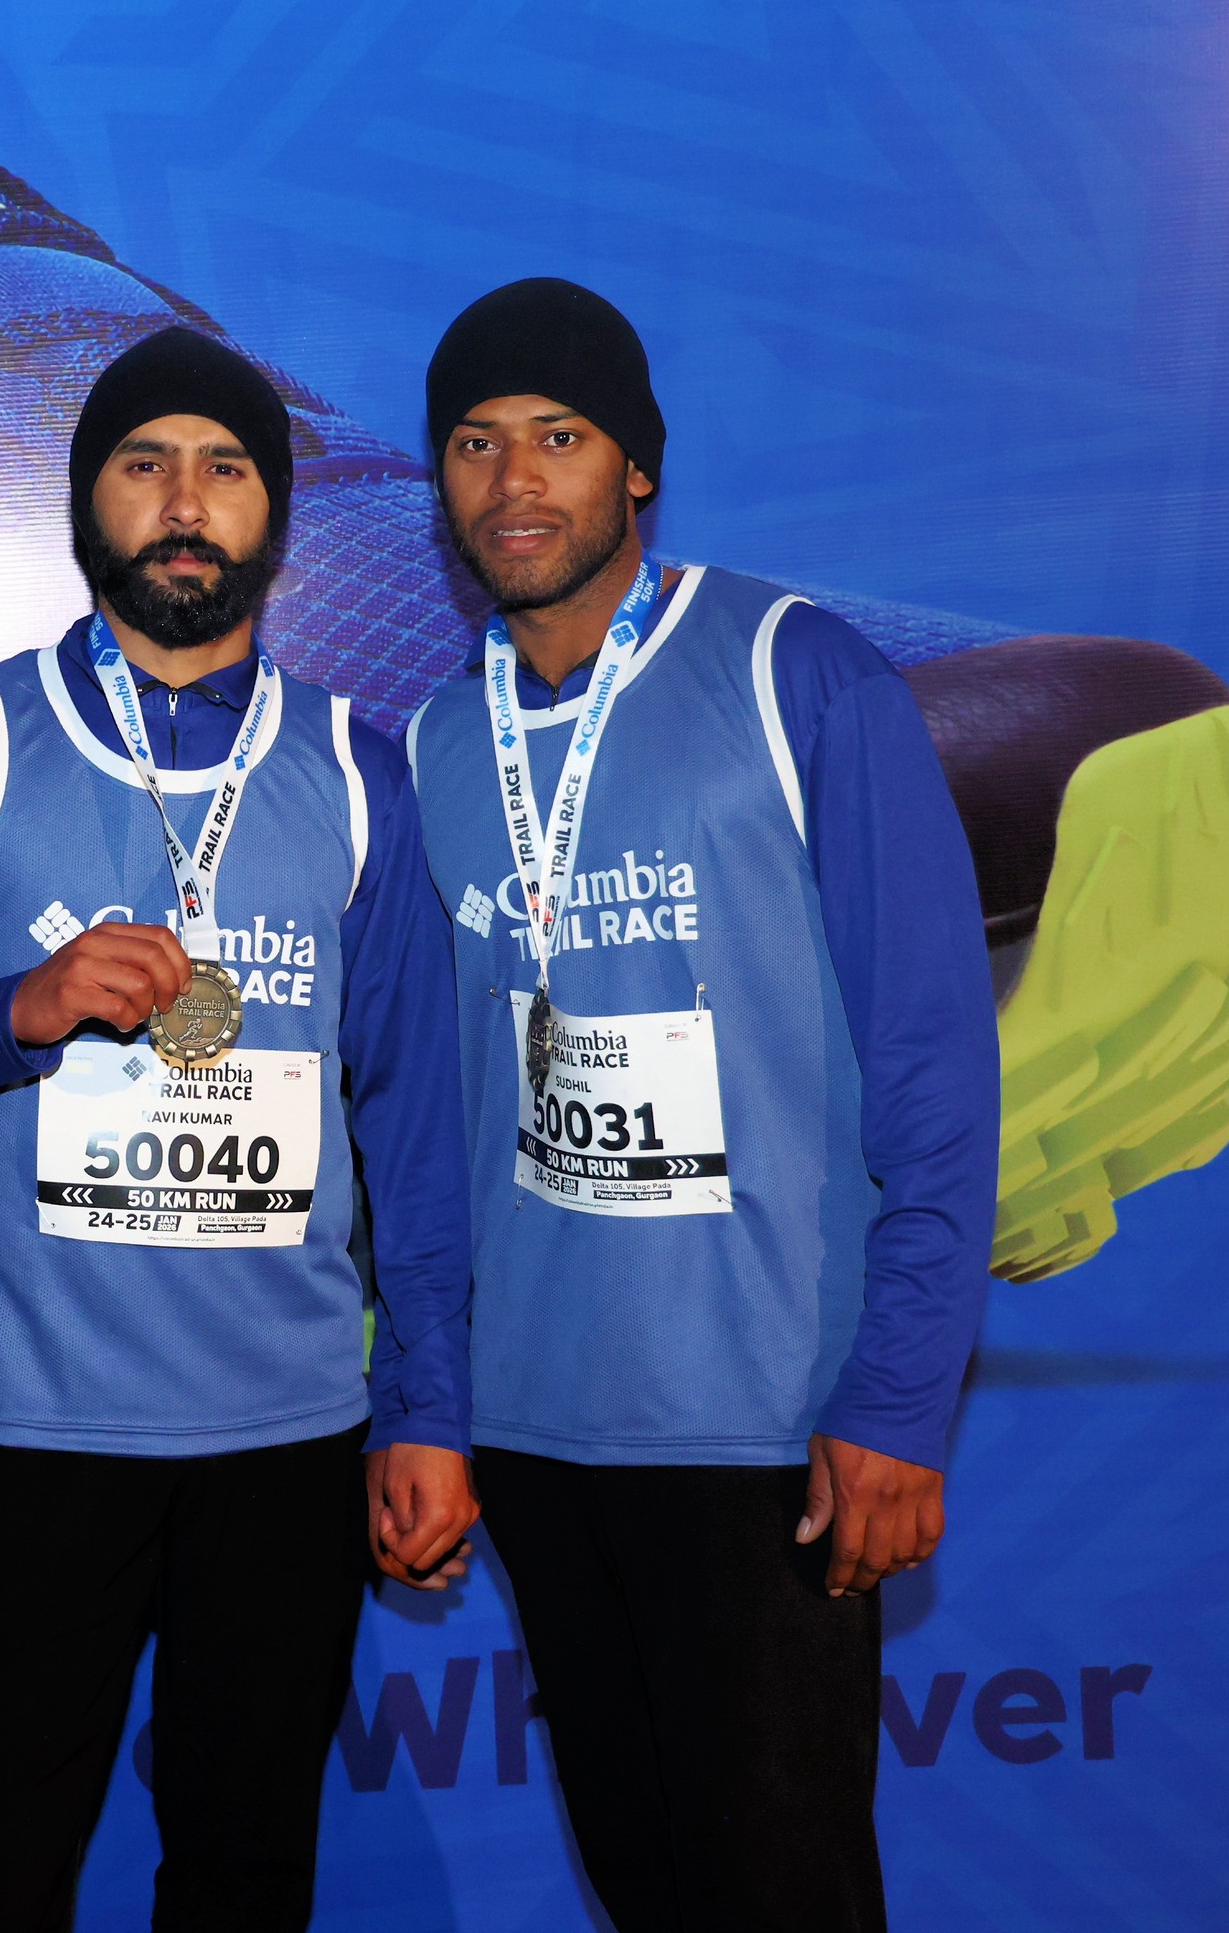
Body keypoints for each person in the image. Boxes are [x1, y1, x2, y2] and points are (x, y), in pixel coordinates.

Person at [0, 327, 476, 1932]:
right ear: (84, 504)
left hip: (286, 1442)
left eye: (225, 468)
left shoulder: (357, 771)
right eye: (143, 463)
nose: (184, 502)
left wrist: (430, 1408)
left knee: (246, 1876)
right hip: (32, 1432)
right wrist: (20, 1009)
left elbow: (416, 1125)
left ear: (275, 517)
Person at [398, 277, 998, 1931]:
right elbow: (433, 1121)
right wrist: (428, 1398)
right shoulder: (438, 743)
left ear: (637, 466)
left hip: (765, 1423)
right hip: (537, 1426)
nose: (515, 479)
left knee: (778, 1892)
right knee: (646, 1883)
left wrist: (898, 1398)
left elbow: (934, 1064)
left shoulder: (797, 674)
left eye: (559, 435)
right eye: (474, 441)